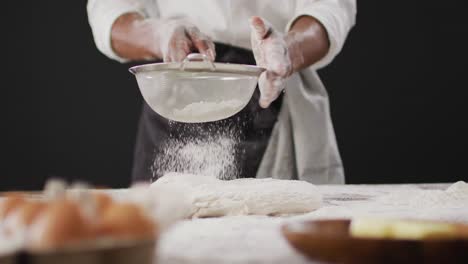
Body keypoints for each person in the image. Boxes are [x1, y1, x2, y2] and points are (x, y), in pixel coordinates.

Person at [87, 0, 356, 184]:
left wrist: (289, 50)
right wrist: (159, 35)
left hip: (269, 86)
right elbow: (110, 8)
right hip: (174, 97)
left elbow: (330, 6)